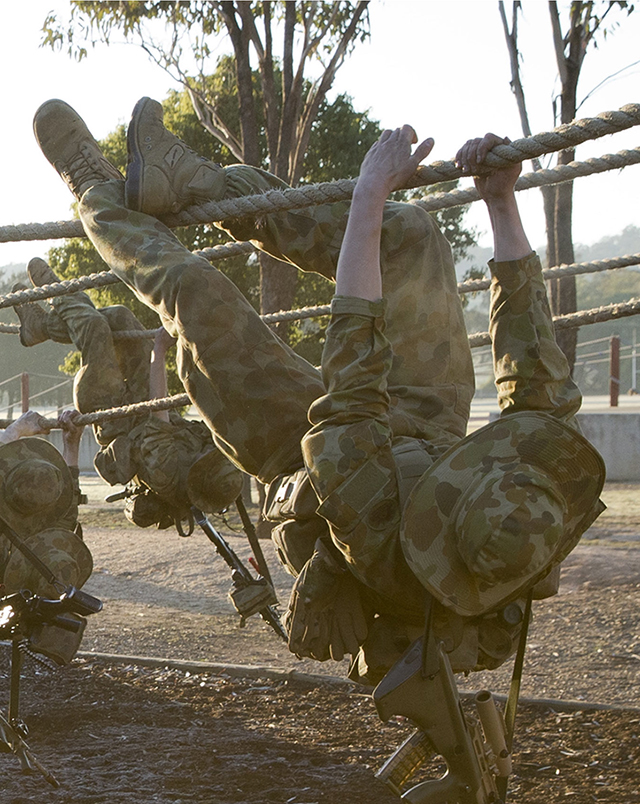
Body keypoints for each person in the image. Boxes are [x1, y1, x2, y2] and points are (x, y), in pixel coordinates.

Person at [31, 98, 606, 684]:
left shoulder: (375, 530)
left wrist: (369, 193)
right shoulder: (541, 510)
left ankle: (95, 190)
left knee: (196, 295)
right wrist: (502, 200)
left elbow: (352, 368)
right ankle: (191, 182)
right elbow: (537, 375)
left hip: (312, 453)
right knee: (409, 233)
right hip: (428, 432)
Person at [12, 266, 245, 531]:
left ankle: (59, 294)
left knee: (94, 326)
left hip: (113, 416)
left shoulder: (167, 473)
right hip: (140, 405)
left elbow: (159, 410)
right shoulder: (210, 456)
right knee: (120, 317)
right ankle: (40, 326)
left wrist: (158, 352)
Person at [0, 408, 92, 597]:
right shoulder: (42, 519)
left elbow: (66, 511)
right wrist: (71, 444)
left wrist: (15, 431)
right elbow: (67, 513)